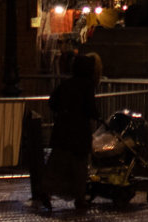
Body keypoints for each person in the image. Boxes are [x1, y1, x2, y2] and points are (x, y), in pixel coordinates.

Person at [37, 51, 102, 211]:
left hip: (62, 131)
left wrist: (63, 111)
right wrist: (97, 116)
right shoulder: (87, 86)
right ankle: (79, 199)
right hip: (79, 134)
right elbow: (90, 109)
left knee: (56, 164)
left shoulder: (66, 84)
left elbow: (52, 102)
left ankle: (46, 190)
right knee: (79, 168)